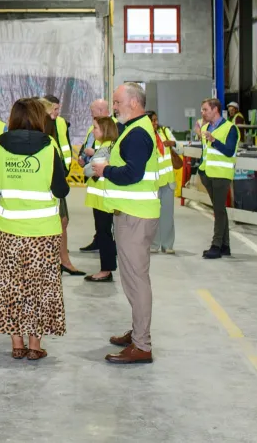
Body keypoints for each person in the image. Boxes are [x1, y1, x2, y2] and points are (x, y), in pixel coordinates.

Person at [0, 98, 71, 360]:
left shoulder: (0, 147)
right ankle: (35, 346)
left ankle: (16, 344)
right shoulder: (50, 147)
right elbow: (61, 189)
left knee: (12, 285)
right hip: (43, 232)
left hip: (9, 229)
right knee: (40, 287)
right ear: (38, 118)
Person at [90, 82, 160, 364]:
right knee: (132, 279)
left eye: (117, 102)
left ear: (133, 102)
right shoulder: (134, 130)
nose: (114, 107)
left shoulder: (137, 134)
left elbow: (132, 173)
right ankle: (138, 332)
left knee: (136, 279)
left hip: (135, 215)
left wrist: (105, 170)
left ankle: (142, 345)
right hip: (133, 213)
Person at [42, 95, 82, 276]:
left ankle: (63, 260)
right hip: (44, 181)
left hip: (58, 176)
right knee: (57, 221)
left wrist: (65, 170)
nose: (56, 113)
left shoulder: (60, 123)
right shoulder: (41, 127)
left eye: (58, 109)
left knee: (63, 221)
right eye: (53, 110)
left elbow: (64, 147)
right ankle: (56, 261)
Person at [197, 98, 239, 259]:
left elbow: (229, 151)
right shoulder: (205, 127)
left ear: (215, 110)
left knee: (218, 210)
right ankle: (225, 245)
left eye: (205, 110)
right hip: (208, 174)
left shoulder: (231, 128)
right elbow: (204, 152)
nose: (202, 113)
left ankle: (216, 245)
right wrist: (202, 170)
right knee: (219, 210)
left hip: (222, 175)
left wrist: (214, 141)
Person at [83, 116, 119, 281]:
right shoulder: (111, 146)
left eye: (95, 128)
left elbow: (88, 171)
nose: (93, 131)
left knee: (104, 234)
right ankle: (107, 268)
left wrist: (88, 165)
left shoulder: (104, 149)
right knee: (106, 233)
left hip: (102, 200)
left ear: (104, 130)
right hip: (104, 198)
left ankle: (106, 270)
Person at [78, 98, 113, 253]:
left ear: (100, 111)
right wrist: (82, 156)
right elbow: (86, 145)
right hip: (95, 183)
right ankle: (98, 240)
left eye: (92, 112)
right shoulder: (92, 128)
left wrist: (93, 155)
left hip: (104, 182)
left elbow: (104, 154)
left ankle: (108, 254)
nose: (93, 130)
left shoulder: (112, 128)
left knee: (106, 223)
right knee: (99, 221)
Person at [150, 112, 178, 254]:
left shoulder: (165, 132)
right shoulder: (144, 135)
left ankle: (167, 245)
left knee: (167, 215)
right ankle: (153, 244)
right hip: (152, 183)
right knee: (152, 215)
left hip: (167, 181)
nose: (155, 123)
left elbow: (178, 147)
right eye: (152, 121)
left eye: (156, 120)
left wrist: (172, 143)